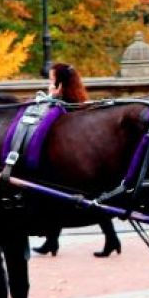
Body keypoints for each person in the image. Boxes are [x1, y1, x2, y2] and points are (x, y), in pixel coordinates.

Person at [33, 63, 122, 258]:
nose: (48, 85)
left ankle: (110, 239)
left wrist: (51, 97)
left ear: (60, 85)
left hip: (69, 163)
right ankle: (52, 241)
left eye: (51, 81)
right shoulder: (76, 103)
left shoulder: (63, 108)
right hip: (74, 162)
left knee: (69, 198)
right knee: (59, 199)